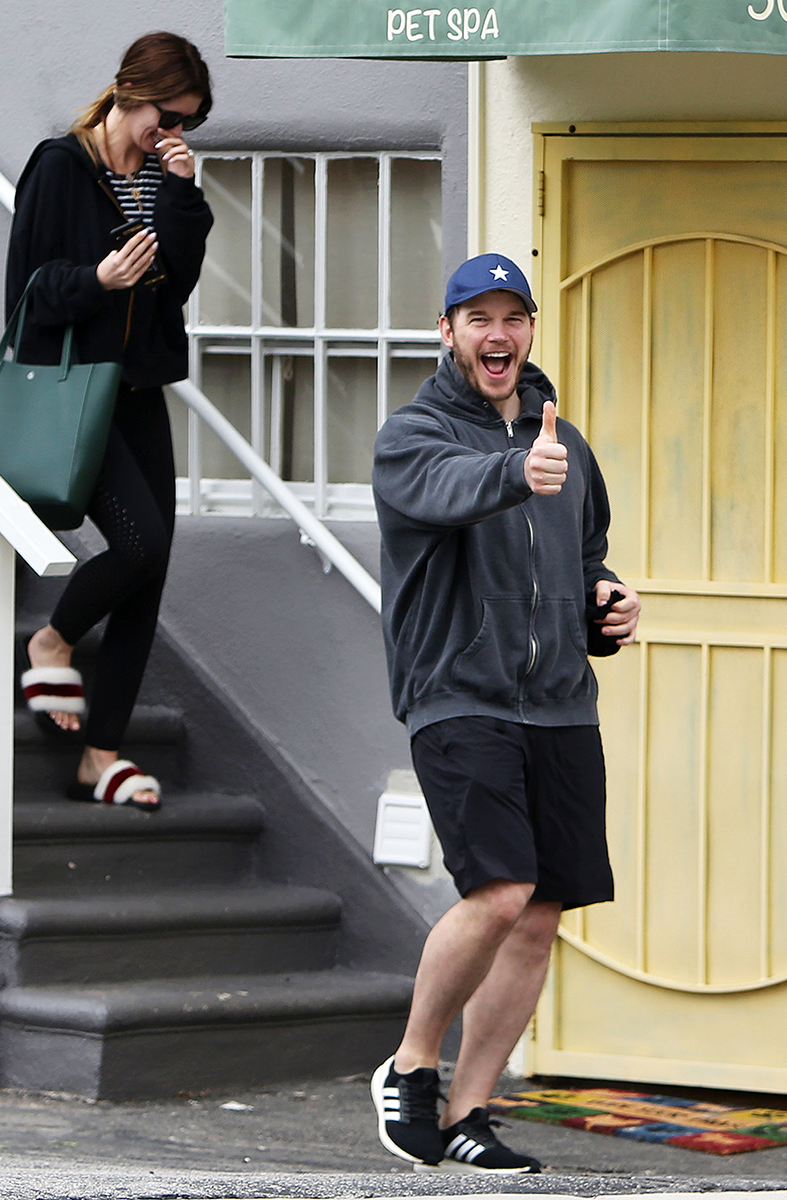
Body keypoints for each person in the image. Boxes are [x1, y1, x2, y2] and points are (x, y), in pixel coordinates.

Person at [369, 254, 640, 1172]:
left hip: (560, 704)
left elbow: (583, 554)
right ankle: (410, 1065)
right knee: (497, 892)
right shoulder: (412, 437)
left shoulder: (568, 440)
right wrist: (519, 471)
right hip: (458, 692)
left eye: (512, 318)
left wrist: (607, 605)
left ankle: (470, 1112)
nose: (497, 335)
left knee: (539, 912)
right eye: (476, 319)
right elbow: (444, 494)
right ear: (447, 332)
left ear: (528, 330)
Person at [8, 32, 213, 809]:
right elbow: (27, 289)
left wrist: (183, 194)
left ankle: (101, 753)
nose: (174, 132)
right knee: (139, 542)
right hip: (74, 391)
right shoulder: (61, 166)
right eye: (167, 116)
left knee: (152, 568)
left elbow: (177, 282)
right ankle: (52, 639)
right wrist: (95, 280)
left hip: (137, 389)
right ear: (132, 92)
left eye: (188, 122)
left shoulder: (161, 172)